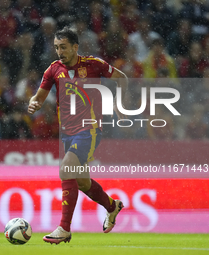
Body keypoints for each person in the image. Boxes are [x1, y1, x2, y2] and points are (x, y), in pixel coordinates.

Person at [28, 27, 128, 244]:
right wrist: (34, 103)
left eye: (63, 47)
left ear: (75, 46)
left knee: (66, 169)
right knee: (82, 182)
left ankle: (64, 228)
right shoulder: (53, 70)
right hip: (68, 134)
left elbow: (122, 78)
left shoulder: (93, 64)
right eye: (56, 47)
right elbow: (38, 97)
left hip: (89, 130)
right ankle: (112, 206)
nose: (59, 51)